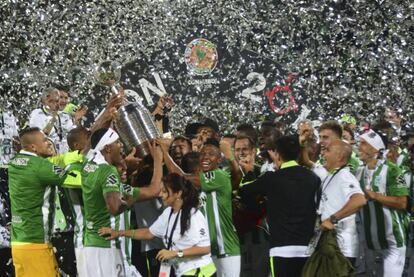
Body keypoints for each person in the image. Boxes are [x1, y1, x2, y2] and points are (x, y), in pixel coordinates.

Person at [99, 174, 216, 277]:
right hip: (183, 272)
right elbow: (149, 233)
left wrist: (175, 253)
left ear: (178, 193)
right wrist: (119, 233)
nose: (160, 195)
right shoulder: (168, 212)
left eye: (165, 191)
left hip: (201, 272)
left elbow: (205, 249)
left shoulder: (193, 215)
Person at [81, 128, 162, 277]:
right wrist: (158, 159)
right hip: (106, 245)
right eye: (117, 142)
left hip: (90, 245)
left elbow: (88, 146)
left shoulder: (88, 165)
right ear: (107, 148)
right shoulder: (108, 171)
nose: (121, 146)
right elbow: (114, 207)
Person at [240, 135, 321, 277]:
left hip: (280, 249)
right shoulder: (313, 178)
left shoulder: (271, 178)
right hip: (307, 249)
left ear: (277, 154)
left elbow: (244, 190)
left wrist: (249, 172)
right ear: (298, 153)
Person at [161, 139, 241, 277]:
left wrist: (164, 152)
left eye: (211, 154)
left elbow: (182, 177)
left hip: (225, 247)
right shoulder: (198, 185)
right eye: (203, 154)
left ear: (219, 160)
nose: (205, 157)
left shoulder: (219, 176)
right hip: (208, 250)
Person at [8, 127, 69, 276]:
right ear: (33, 147)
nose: (49, 143)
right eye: (45, 140)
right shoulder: (41, 167)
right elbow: (71, 177)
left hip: (18, 244)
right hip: (36, 244)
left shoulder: (14, 162)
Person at [356, 129, 409, 277]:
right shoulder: (358, 172)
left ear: (375, 148)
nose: (359, 147)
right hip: (370, 243)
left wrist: (375, 196)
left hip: (392, 242)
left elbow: (402, 202)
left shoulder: (393, 170)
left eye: (364, 144)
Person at [317, 140, 366, 268]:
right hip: (332, 245)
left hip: (342, 248)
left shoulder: (345, 176)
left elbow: (359, 200)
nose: (323, 154)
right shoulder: (332, 175)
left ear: (339, 156)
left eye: (327, 150)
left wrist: (332, 219)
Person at [233, 135, 269, 277]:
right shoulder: (227, 173)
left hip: (258, 235)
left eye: (245, 149)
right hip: (234, 235)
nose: (241, 153)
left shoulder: (263, 173)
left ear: (253, 151)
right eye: (237, 150)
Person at [0, 109, 19, 276]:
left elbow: (16, 139)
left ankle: (9, 235)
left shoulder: (8, 115)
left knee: (9, 203)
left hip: (8, 167)